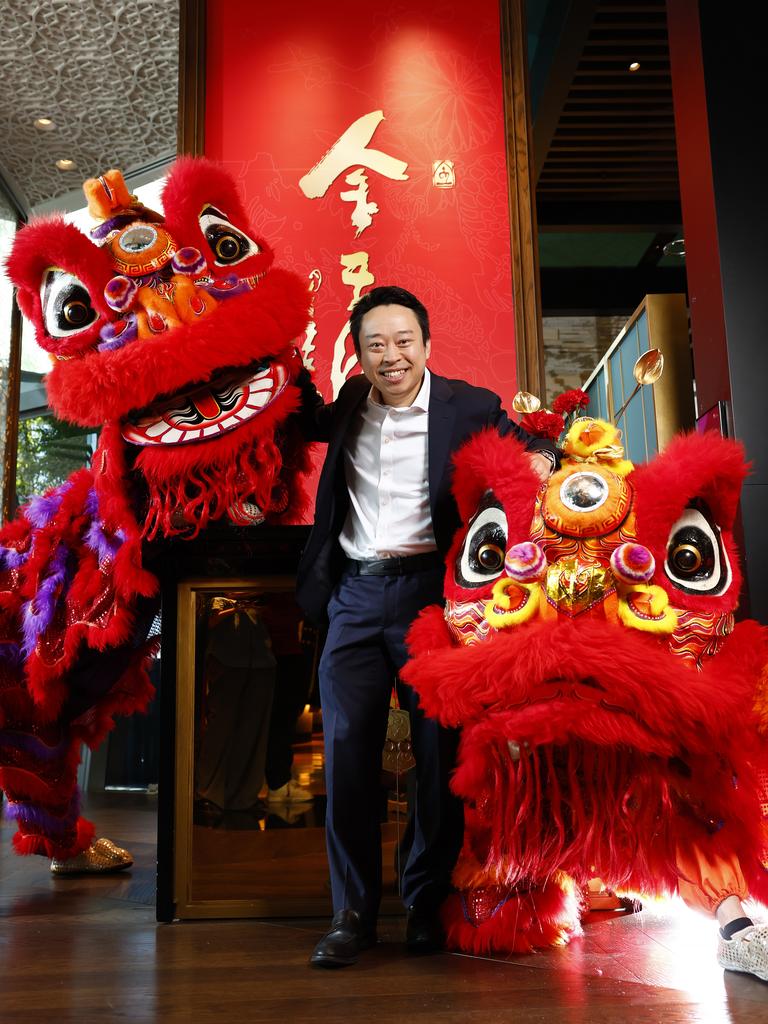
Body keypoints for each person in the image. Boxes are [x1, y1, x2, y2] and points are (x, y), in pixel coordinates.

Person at [295, 285, 559, 968]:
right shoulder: (350, 404)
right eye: (376, 344)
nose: (392, 356)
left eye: (403, 341)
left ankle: (423, 902)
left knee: (437, 758)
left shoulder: (465, 405)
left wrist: (539, 461)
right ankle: (351, 914)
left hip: (428, 597)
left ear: (426, 345)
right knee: (347, 757)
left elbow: (527, 441)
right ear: (359, 354)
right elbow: (294, 418)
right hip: (353, 594)